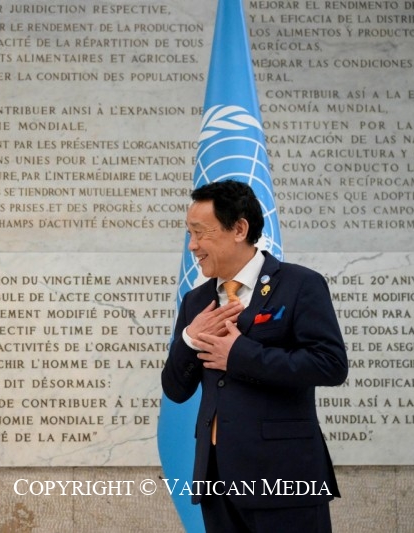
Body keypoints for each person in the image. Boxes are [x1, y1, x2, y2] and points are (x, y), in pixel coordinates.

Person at [161, 179, 347, 533]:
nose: (192, 245)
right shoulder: (196, 301)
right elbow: (175, 389)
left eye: (200, 233)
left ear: (239, 229)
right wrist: (188, 339)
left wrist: (240, 355)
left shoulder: (299, 285)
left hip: (284, 478)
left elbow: (330, 364)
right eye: (189, 234)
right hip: (217, 481)